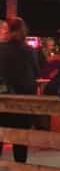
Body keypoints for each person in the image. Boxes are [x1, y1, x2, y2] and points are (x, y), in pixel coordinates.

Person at [0, 17, 40, 163]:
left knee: (1, 135)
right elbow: (36, 73)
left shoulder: (1, 49)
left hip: (4, 99)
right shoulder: (29, 51)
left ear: (7, 30)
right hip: (24, 100)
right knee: (21, 140)